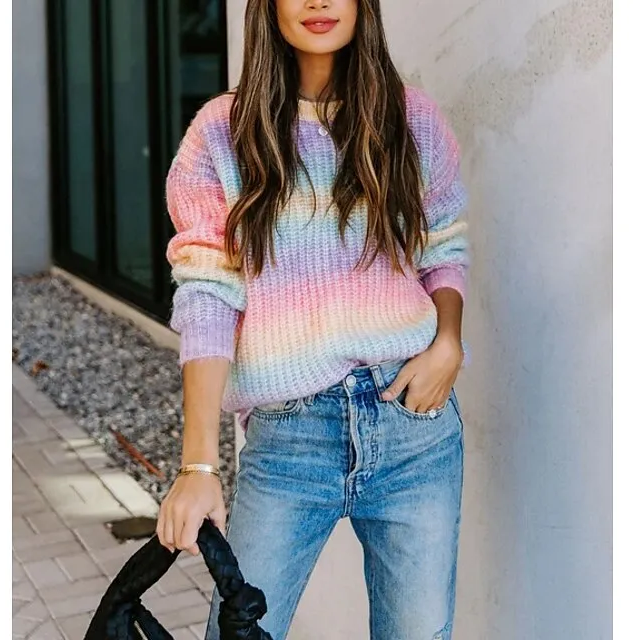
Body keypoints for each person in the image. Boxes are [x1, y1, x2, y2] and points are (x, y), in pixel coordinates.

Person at [156, 1, 469, 638]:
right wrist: (198, 466)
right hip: (289, 438)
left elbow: (443, 245)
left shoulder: (412, 119)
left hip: (415, 428)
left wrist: (449, 343)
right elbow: (208, 293)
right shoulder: (221, 133)